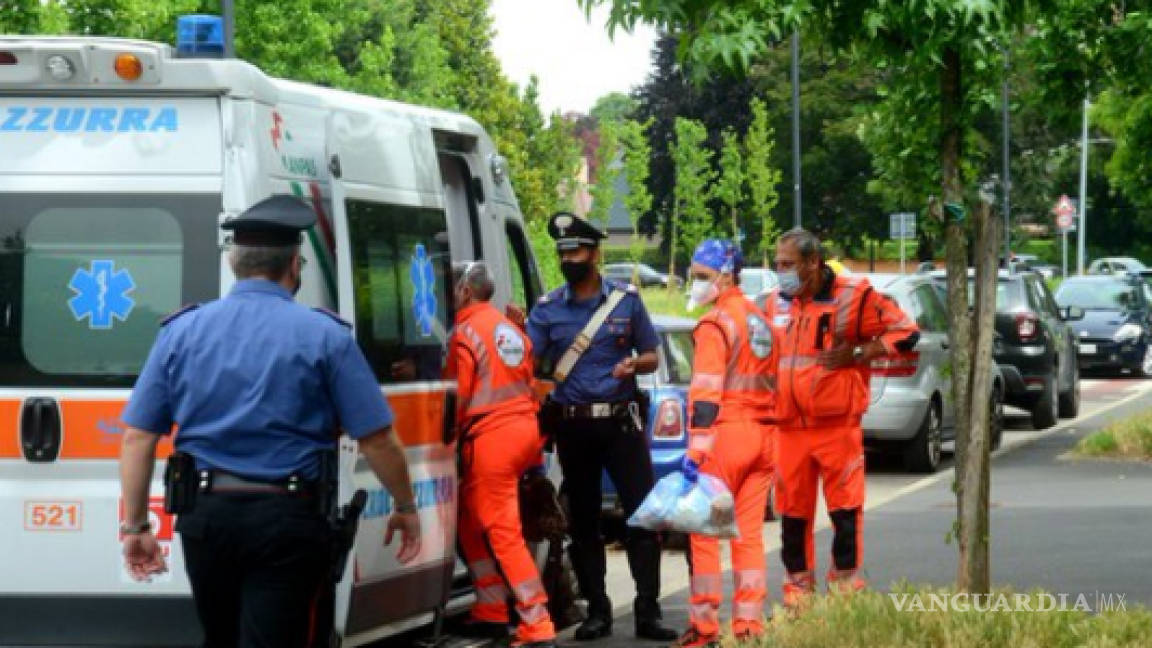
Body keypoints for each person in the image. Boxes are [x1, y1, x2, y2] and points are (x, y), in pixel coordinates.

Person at [118, 195, 422, 648]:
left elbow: (137, 438)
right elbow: (378, 440)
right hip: (288, 521)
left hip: (206, 519)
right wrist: (405, 506)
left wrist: (137, 527)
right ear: (295, 266)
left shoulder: (181, 332)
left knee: (220, 637)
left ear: (235, 263)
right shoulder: (325, 336)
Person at [520, 211, 677, 642]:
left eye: (577, 251)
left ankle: (648, 611)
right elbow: (526, 360)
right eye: (564, 252)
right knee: (584, 520)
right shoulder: (548, 309)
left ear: (595, 254)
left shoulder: (625, 301)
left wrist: (634, 364)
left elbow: (652, 354)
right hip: (573, 428)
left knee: (642, 516)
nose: (570, 258)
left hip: (620, 425)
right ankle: (598, 611)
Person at [763, 228, 919, 608]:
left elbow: (906, 333)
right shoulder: (775, 303)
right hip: (788, 428)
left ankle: (845, 595)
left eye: (788, 265)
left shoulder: (853, 297)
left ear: (813, 262)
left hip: (836, 426)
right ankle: (798, 598)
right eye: (777, 264)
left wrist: (860, 353)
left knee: (844, 514)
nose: (780, 272)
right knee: (792, 518)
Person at [444, 261, 556, 648]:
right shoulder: (511, 330)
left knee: (503, 533)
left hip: (491, 438)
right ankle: (491, 611)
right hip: (524, 432)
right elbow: (527, 381)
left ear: (463, 291)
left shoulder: (463, 333)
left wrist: (446, 435)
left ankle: (537, 621)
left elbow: (459, 395)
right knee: (470, 519)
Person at [673, 240, 778, 648]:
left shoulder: (715, 324)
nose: (694, 282)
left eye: (701, 274)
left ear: (726, 274)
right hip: (764, 436)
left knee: (704, 534)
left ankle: (704, 628)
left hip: (726, 435)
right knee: (747, 536)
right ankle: (749, 626)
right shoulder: (760, 321)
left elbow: (705, 395)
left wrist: (695, 453)